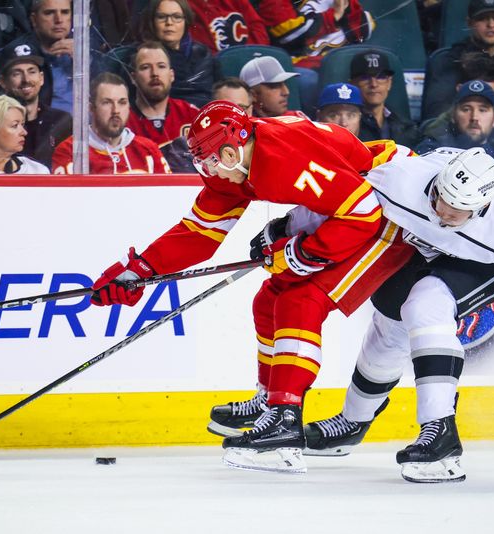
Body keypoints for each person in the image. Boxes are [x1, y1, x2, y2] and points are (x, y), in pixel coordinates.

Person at [88, 101, 415, 473]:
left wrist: (303, 253)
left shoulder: (283, 159)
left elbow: (362, 213)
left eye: (209, 161)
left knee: (301, 299)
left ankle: (285, 418)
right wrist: (139, 270)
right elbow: (200, 233)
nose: (206, 170)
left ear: (229, 152)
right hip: (346, 201)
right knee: (268, 299)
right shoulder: (234, 161)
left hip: (391, 205)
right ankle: (271, 401)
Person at [298, 147, 494, 482]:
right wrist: (286, 230)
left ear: (482, 207)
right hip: (422, 244)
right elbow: (342, 199)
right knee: (389, 320)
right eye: (441, 199)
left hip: (484, 262)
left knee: (426, 305)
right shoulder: (401, 180)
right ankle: (352, 422)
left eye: (458, 210)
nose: (443, 212)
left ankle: (440, 433)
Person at [0, 0, 111, 114]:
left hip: (86, 130)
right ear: (34, 19)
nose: (59, 20)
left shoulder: (86, 49)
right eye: (49, 13)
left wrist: (84, 60)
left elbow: (108, 90)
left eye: (65, 12)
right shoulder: (15, 53)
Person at [421, 0, 494, 121]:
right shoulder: (449, 61)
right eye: (482, 18)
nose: (491, 24)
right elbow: (436, 114)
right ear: (470, 22)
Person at [51, 73, 171, 174]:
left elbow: (169, 196)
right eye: (107, 102)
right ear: (91, 108)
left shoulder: (148, 149)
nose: (116, 111)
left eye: (122, 102)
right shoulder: (70, 150)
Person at [416, 80, 494, 171]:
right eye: (466, 109)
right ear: (453, 115)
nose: (474, 117)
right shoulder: (433, 152)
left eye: (482, 110)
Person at [0, 45, 71, 170]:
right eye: (17, 73)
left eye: (32, 71)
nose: (26, 79)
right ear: (3, 82)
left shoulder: (61, 120)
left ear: (41, 78)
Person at [138, 0, 213, 108]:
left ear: (185, 21)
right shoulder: (140, 55)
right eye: (162, 17)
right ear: (152, 21)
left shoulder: (203, 54)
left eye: (177, 17)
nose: (169, 22)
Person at [126, 41, 200, 145]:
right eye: (145, 67)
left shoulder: (191, 114)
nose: (155, 73)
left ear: (171, 75)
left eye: (161, 66)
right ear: (133, 78)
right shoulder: (124, 120)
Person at [349, 49, 421, 147]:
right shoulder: (348, 126)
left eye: (381, 77)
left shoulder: (406, 127)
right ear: (353, 84)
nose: (374, 84)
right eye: (365, 78)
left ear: (389, 83)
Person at [186, 0, 269, 53]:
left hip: (252, 58)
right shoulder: (185, 7)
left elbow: (257, 27)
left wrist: (255, 54)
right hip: (218, 70)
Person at [239, 56, 305, 118]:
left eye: (284, 83)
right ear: (253, 95)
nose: (286, 92)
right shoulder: (245, 127)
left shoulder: (297, 117)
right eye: (275, 86)